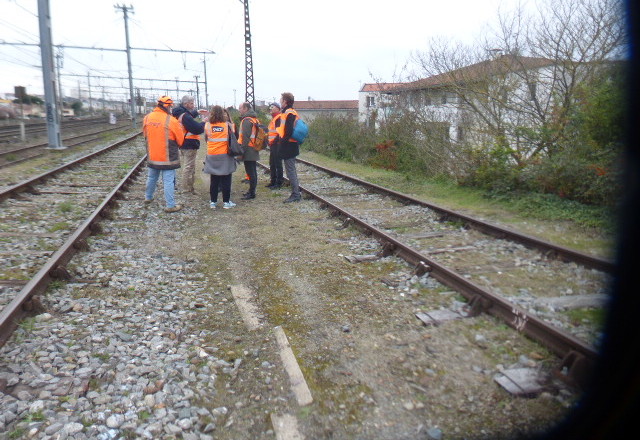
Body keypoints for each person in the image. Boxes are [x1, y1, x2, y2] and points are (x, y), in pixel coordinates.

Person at [143, 96, 184, 213]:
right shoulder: (171, 120)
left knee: (151, 177)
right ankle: (170, 205)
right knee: (168, 181)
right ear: (168, 106)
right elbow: (180, 141)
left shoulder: (147, 118)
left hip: (153, 155)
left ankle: (148, 197)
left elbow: (145, 135)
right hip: (167, 157)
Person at [203, 105, 238, 209]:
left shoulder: (207, 125)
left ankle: (213, 202)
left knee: (214, 180)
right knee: (226, 179)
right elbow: (233, 138)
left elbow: (206, 139)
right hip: (225, 155)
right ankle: (226, 203)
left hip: (212, 154)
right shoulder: (227, 125)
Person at [172, 95, 205, 195]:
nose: (193, 105)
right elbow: (197, 128)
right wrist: (204, 122)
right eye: (191, 103)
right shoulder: (185, 116)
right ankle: (186, 189)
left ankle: (189, 188)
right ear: (185, 104)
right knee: (189, 167)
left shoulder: (180, 113)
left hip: (183, 143)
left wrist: (197, 112)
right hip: (189, 144)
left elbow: (189, 117)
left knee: (189, 166)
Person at [276, 92, 302, 203]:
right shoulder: (288, 112)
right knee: (291, 170)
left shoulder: (289, 113)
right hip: (290, 145)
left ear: (285, 101)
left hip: (289, 146)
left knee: (290, 171)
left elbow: (288, 131)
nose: (280, 101)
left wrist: (282, 142)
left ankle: (296, 194)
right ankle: (296, 192)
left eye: (281, 99)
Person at [237, 102, 261, 200]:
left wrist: (241, 152)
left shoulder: (247, 120)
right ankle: (252, 191)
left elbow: (245, 138)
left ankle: (251, 193)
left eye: (240, 108)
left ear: (246, 108)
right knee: (253, 171)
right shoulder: (254, 119)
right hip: (253, 147)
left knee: (251, 171)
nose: (239, 110)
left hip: (248, 148)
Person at [266, 102, 283, 189]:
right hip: (273, 144)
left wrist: (273, 141)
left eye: (272, 107)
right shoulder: (274, 118)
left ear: (278, 108)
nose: (270, 108)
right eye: (270, 107)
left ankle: (279, 182)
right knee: (272, 163)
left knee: (277, 163)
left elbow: (279, 133)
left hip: (277, 144)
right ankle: (273, 181)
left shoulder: (278, 118)